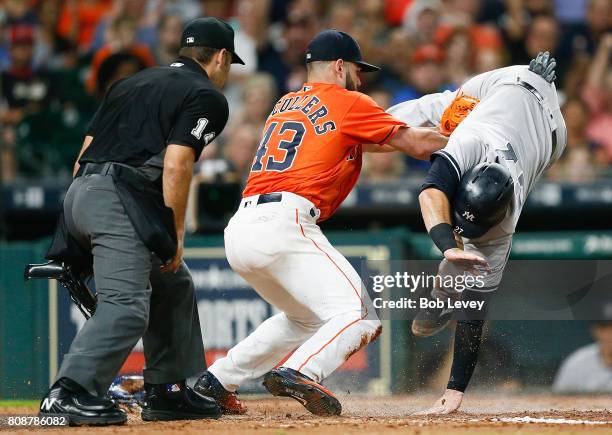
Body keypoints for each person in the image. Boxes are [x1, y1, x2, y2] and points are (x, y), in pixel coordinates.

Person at [194, 29, 448, 416]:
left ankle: (216, 381)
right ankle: (300, 370)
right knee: (361, 316)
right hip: (285, 222)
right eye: (356, 71)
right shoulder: (346, 100)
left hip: (242, 228)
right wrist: (467, 135)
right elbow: (413, 145)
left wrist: (431, 124)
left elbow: (372, 139)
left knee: (303, 318)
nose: (360, 80)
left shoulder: (286, 102)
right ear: (339, 66)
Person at [38, 17, 244, 426]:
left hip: (83, 194)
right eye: (228, 63)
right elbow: (177, 162)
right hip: (121, 199)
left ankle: (168, 391)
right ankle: (69, 393)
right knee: (128, 307)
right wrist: (175, 232)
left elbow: (84, 153)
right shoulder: (206, 95)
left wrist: (76, 223)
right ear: (220, 57)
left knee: (173, 282)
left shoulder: (131, 82)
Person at [387, 52, 566, 414]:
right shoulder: (469, 140)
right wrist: (446, 246)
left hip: (550, 134)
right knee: (445, 113)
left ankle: (443, 289)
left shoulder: (502, 227)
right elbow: (432, 190)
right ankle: (359, 128)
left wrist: (454, 392)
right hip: (507, 84)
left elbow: (474, 311)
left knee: (469, 268)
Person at [553, 320, 612, 393]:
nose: (610, 334)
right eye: (605, 329)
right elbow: (558, 398)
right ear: (596, 331)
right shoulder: (578, 361)